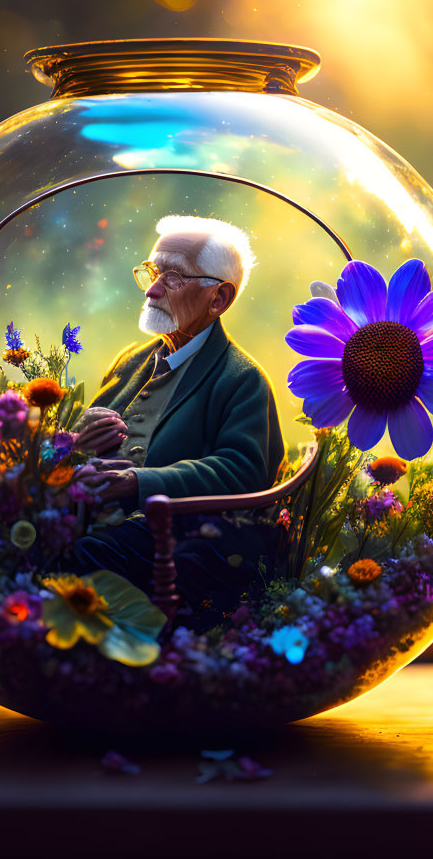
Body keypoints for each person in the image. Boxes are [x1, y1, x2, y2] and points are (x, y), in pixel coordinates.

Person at [62, 215, 285, 617]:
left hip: (180, 538)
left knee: (83, 557)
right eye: (152, 271)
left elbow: (242, 470)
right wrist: (79, 439)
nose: (151, 289)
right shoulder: (130, 361)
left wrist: (137, 482)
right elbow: (79, 442)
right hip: (94, 517)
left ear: (218, 299)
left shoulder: (242, 379)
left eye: (173, 277)